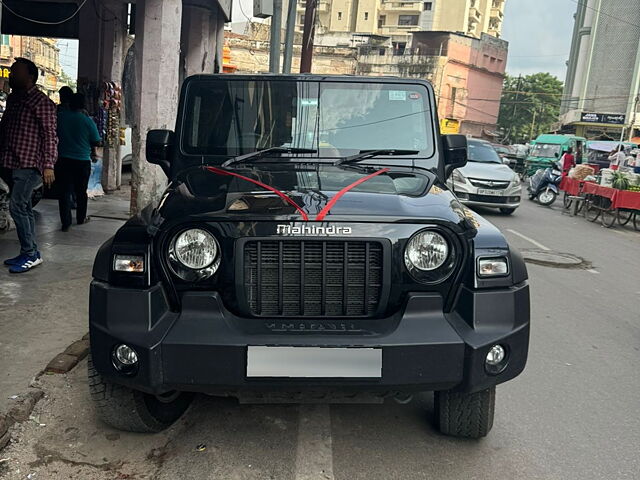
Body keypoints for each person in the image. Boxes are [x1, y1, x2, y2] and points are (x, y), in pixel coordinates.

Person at [0, 58, 57, 273]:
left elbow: (50, 136)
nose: (11, 75)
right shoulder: (15, 99)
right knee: (23, 207)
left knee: (17, 206)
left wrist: (48, 166)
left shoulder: (42, 103)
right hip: (13, 162)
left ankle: (31, 253)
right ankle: (29, 251)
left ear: (30, 76)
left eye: (16, 71)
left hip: (30, 164)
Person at [55, 93, 102, 231]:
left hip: (63, 160)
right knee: (81, 191)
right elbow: (96, 140)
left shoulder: (60, 117)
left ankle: (65, 222)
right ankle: (81, 218)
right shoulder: (87, 121)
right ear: (83, 105)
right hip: (81, 161)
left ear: (69, 103)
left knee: (64, 192)